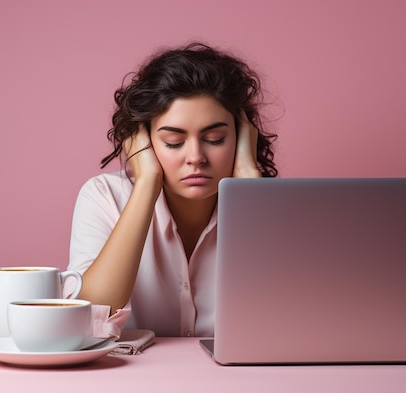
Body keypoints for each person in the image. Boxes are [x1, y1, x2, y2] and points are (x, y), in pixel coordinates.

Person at [66, 42, 278, 338]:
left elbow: (283, 323)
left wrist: (251, 189)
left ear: (242, 139)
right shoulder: (103, 197)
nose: (196, 157)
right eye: (174, 142)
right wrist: (146, 183)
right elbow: (87, 319)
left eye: (215, 138)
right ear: (144, 141)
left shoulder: (272, 205)